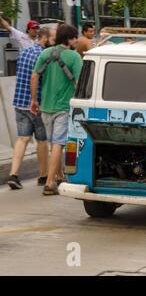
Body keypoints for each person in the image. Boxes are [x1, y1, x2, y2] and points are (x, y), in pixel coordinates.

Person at [30, 24, 83, 196]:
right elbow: (80, 82)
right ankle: (50, 183)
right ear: (69, 38)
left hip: (45, 106)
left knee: (54, 144)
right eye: (75, 37)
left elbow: (35, 75)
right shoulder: (74, 57)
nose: (77, 40)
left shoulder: (46, 53)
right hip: (63, 107)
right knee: (58, 144)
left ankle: (59, 175)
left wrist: (33, 99)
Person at [7, 27, 56, 190]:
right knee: (41, 141)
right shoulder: (43, 56)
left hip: (19, 103)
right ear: (44, 38)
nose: (52, 42)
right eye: (52, 39)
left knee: (22, 139)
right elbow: (42, 81)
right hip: (36, 105)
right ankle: (43, 176)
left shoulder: (24, 51)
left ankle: (13, 175)